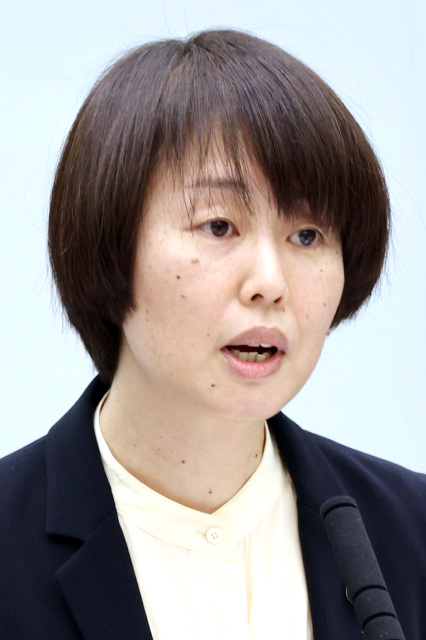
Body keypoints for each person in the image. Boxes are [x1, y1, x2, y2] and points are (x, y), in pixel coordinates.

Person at [0, 29, 425, 640]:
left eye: (307, 235)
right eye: (219, 226)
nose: (270, 283)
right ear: (108, 241)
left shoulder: (411, 532)